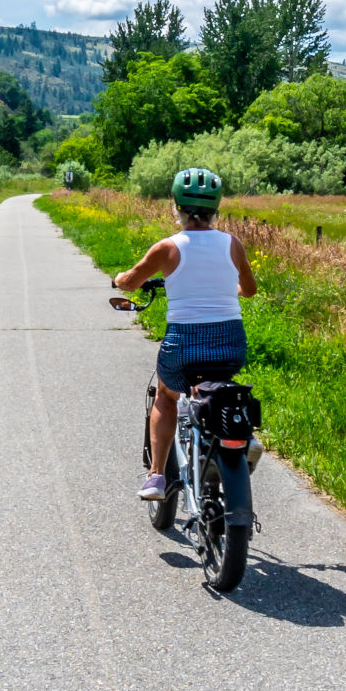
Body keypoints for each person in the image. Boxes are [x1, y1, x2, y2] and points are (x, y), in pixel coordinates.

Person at [111, 167, 257, 500]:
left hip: (184, 346)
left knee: (166, 394)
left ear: (176, 205)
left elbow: (131, 281)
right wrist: (229, 289)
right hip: (231, 346)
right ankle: (244, 442)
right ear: (215, 208)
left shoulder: (168, 248)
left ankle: (157, 476)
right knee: (221, 384)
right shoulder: (232, 244)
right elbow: (249, 290)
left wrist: (119, 279)